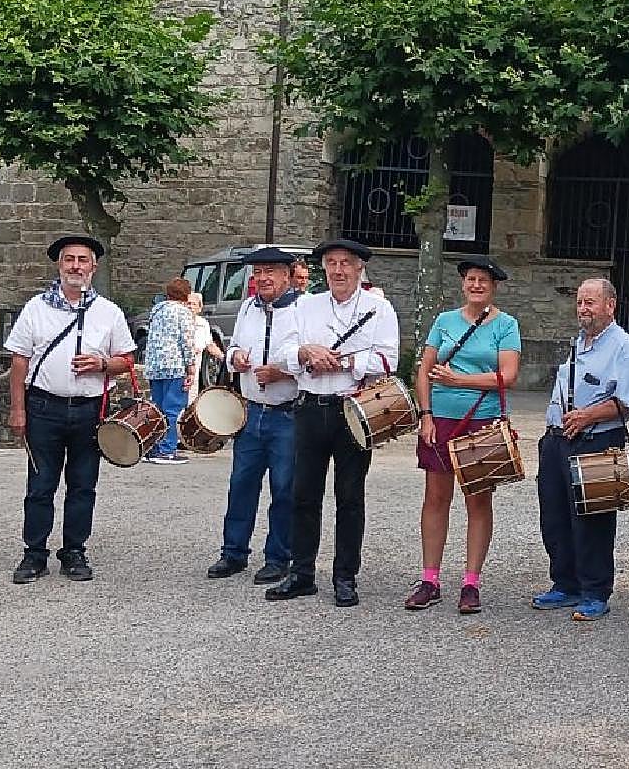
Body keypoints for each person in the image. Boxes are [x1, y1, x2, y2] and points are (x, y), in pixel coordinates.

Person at [266, 239, 399, 607]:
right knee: (303, 495)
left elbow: (390, 360)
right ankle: (302, 573)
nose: (338, 270)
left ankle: (345, 577)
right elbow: (281, 352)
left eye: (345, 263)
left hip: (353, 410)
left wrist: (346, 363)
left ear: (359, 269)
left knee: (350, 497)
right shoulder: (305, 305)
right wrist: (306, 352)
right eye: (331, 263)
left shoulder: (379, 308)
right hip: (310, 407)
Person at [6, 235, 137, 584]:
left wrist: (102, 363)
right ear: (59, 265)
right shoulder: (36, 308)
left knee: (82, 486)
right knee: (40, 485)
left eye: (83, 260)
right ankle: (34, 554)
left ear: (94, 267)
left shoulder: (109, 312)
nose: (76, 266)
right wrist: (18, 410)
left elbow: (127, 361)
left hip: (89, 411)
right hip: (44, 408)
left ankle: (74, 552)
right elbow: (19, 360)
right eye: (69, 260)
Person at [405, 254, 521, 615]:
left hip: (481, 420)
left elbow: (507, 375)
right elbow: (423, 371)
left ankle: (471, 583)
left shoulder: (506, 325)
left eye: (483, 281)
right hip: (440, 417)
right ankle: (430, 579)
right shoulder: (444, 321)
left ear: (494, 286)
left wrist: (460, 380)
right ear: (463, 283)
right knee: (436, 498)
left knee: (478, 501)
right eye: (470, 279)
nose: (476, 285)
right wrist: (425, 414)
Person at [531, 278, 629, 621]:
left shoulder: (625, 348)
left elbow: (626, 403)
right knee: (554, 516)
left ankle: (595, 591)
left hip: (595, 439)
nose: (583, 309)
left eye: (591, 302)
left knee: (592, 520)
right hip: (556, 439)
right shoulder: (576, 344)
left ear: (611, 305)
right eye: (580, 302)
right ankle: (564, 584)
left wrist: (586, 417)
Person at [205, 248, 301, 585]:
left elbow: (314, 364)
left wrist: (283, 374)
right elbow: (229, 350)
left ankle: (278, 558)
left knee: (284, 488)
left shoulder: (303, 311)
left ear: (288, 275)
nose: (262, 278)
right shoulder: (248, 307)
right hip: (251, 410)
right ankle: (233, 553)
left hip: (287, 414)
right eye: (258, 272)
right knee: (241, 485)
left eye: (271, 271)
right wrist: (237, 358)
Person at [143, 277, 196, 464]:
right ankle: (167, 449)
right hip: (175, 365)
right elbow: (187, 343)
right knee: (173, 409)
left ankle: (153, 447)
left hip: (154, 366)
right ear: (186, 295)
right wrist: (191, 368)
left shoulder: (157, 311)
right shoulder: (184, 313)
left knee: (157, 408)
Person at [185, 291, 223, 405]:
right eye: (188, 303)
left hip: (195, 369)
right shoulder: (179, 322)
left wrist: (225, 358)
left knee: (191, 401)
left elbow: (210, 345)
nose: (190, 306)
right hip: (179, 369)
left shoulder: (203, 324)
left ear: (200, 308)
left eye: (193, 304)